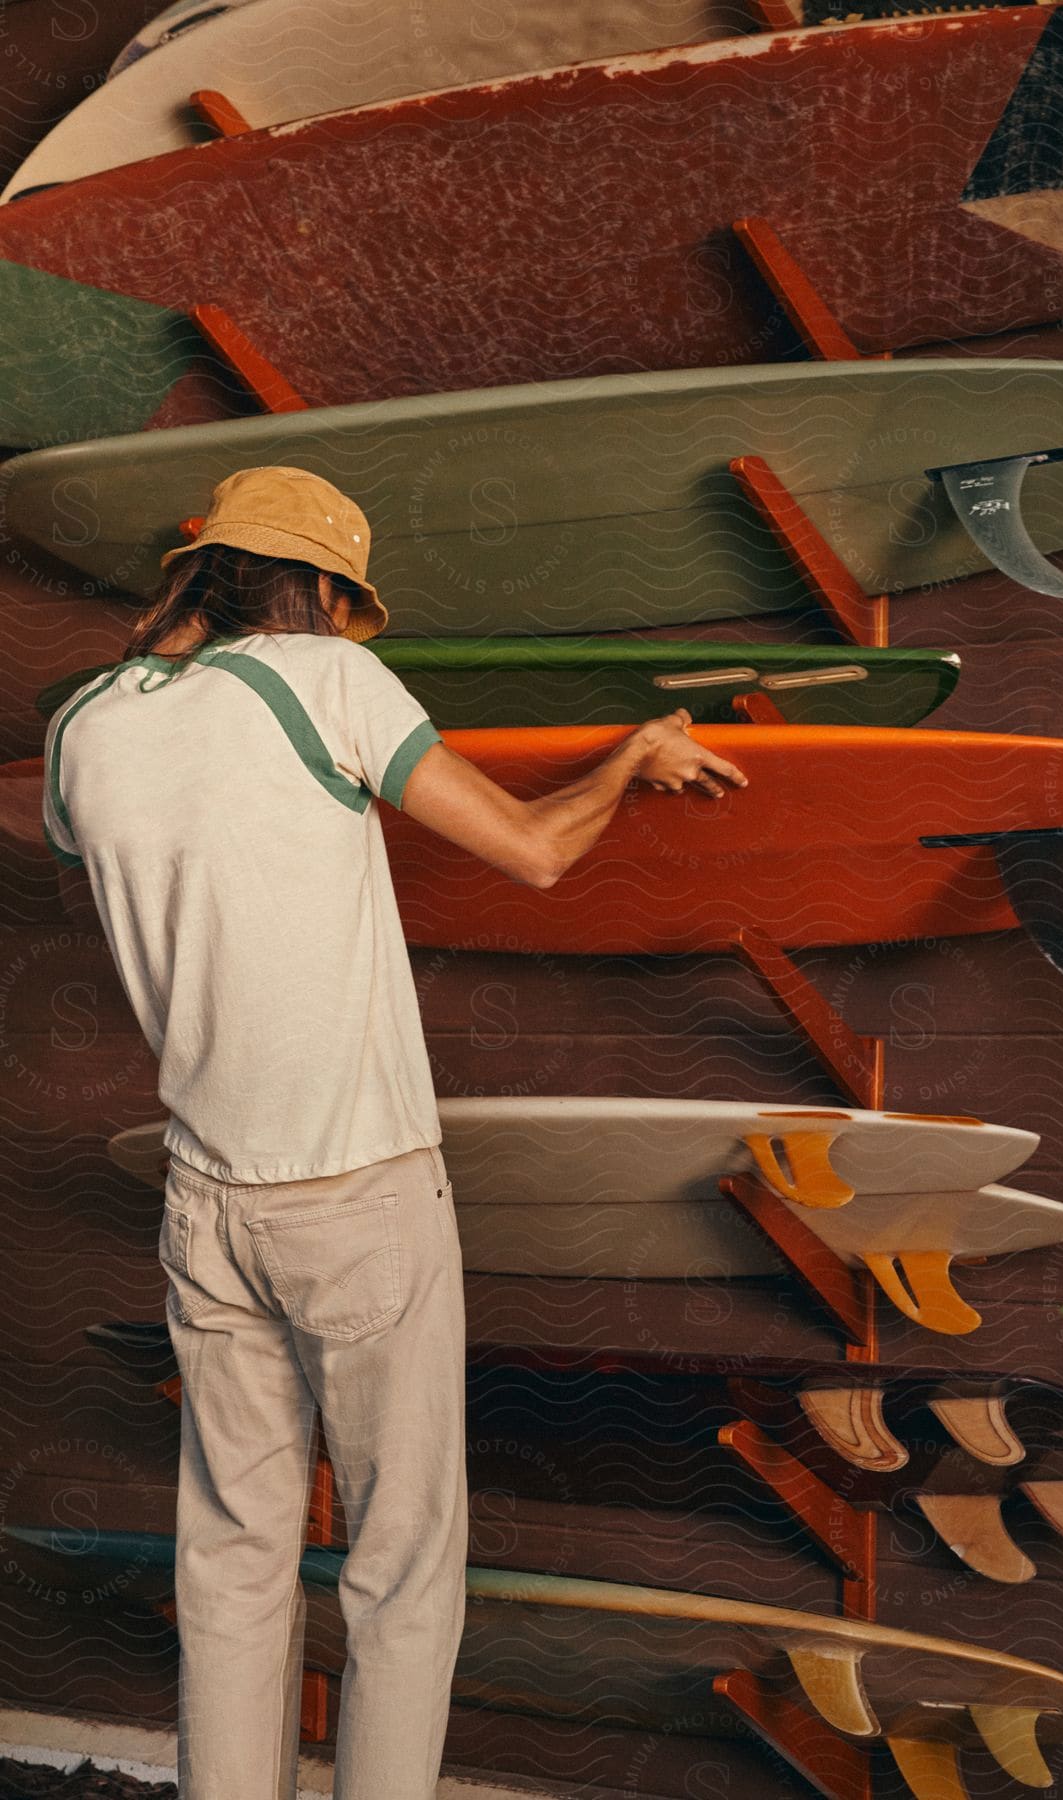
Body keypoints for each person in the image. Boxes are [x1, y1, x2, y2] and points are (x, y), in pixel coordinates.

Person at [40, 465, 748, 1800]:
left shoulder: (87, 732)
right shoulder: (330, 683)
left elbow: (128, 840)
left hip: (205, 1204)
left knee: (235, 1561)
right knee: (402, 1571)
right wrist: (632, 756)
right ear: (313, 589)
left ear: (205, 568)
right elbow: (536, 850)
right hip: (358, 1201)